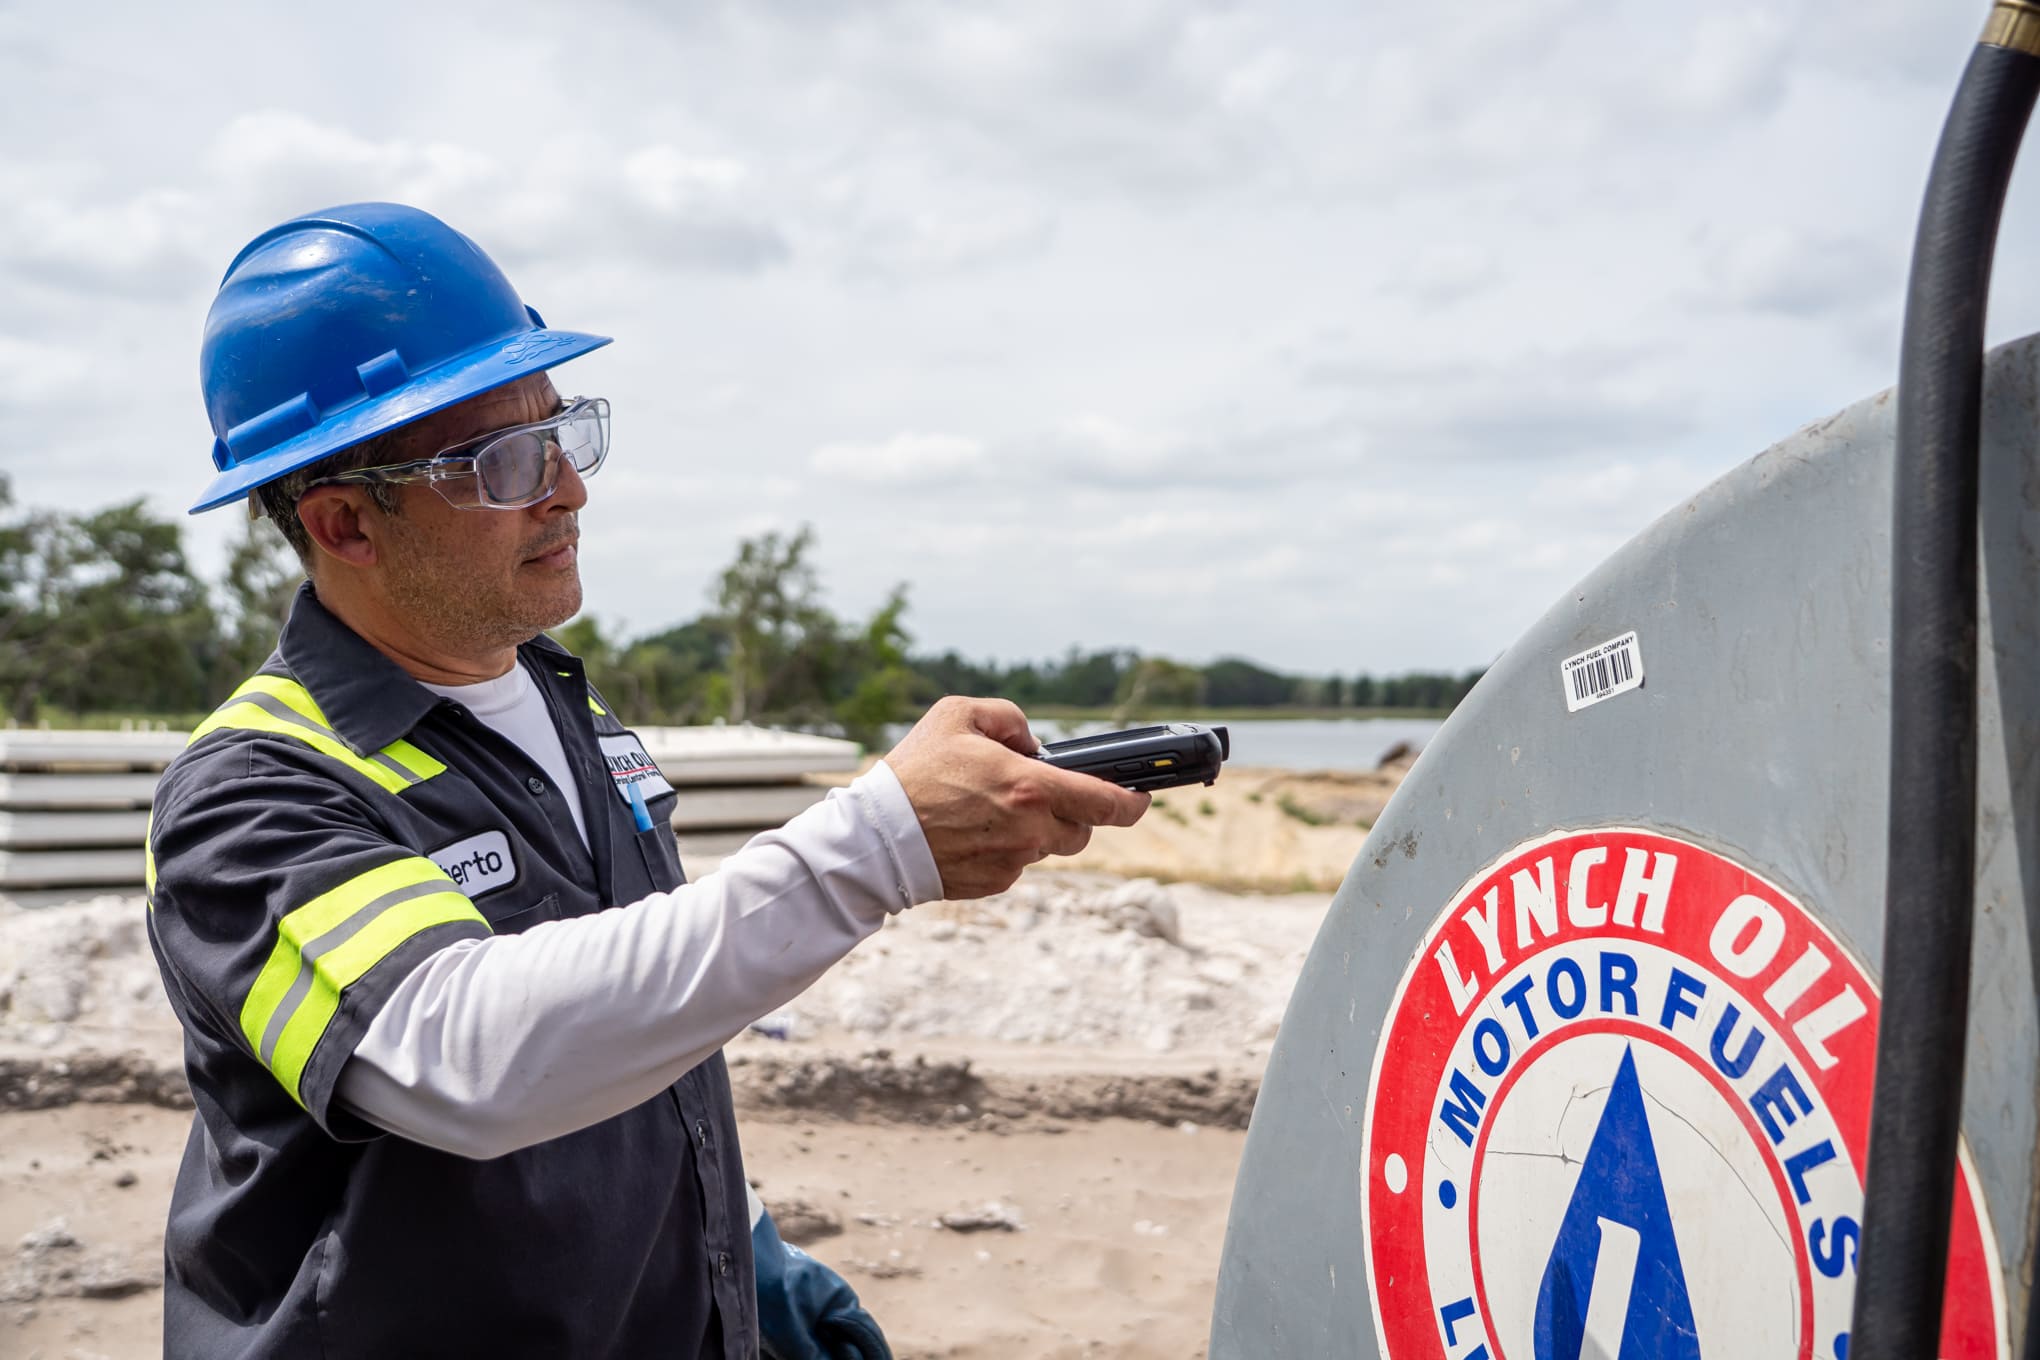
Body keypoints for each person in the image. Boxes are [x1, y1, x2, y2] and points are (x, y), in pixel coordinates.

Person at [144, 202, 1149, 1360]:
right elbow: (465, 1055)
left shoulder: (569, 714)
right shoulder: (255, 792)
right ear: (344, 523)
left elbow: (624, 1016)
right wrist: (877, 847)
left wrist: (746, 1253)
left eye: (560, 434)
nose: (566, 490)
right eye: (502, 461)